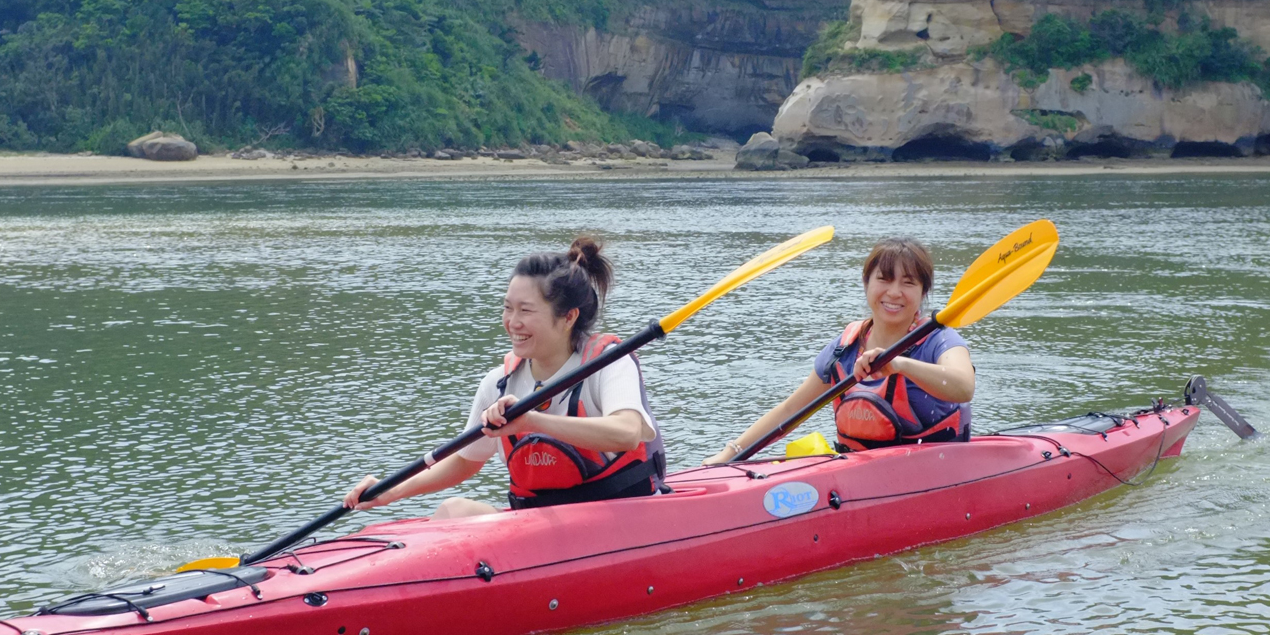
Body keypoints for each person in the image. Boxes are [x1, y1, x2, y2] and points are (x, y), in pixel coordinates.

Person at [344, 236, 666, 518]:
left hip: (616, 517)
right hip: (540, 526)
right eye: (507, 308)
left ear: (568, 317)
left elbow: (626, 433)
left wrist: (531, 422)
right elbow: (464, 461)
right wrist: (392, 490)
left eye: (525, 311)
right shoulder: (499, 383)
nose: (512, 322)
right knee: (454, 510)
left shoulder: (608, 363)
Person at [705, 237, 974, 463]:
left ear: (923, 292)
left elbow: (964, 386)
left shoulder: (939, 339)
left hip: (931, 471)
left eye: (908, 283)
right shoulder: (843, 349)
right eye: (884, 279)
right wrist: (730, 454)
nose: (894, 292)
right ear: (866, 283)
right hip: (858, 478)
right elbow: (791, 410)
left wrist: (901, 365)